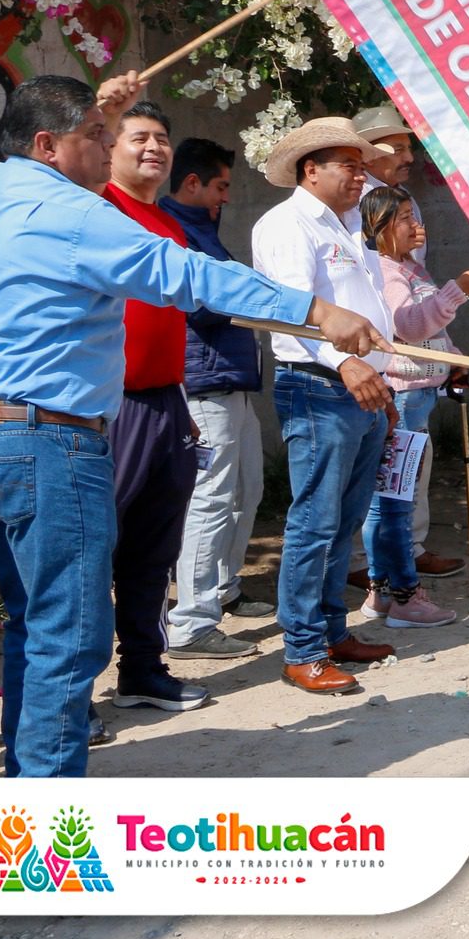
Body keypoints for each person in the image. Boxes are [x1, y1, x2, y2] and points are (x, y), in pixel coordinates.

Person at [0, 75, 385, 775]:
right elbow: (184, 274)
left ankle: (26, 793)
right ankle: (46, 827)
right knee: (70, 634)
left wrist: (102, 110)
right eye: (96, 133)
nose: (110, 142)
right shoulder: (71, 214)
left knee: (34, 622)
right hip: (51, 440)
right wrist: (318, 312)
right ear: (49, 145)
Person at [251, 117, 407, 696]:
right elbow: (293, 313)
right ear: (310, 169)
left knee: (343, 522)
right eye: (348, 162)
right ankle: (303, 649)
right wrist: (346, 364)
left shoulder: (344, 225)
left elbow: (364, 310)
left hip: (361, 386)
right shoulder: (288, 225)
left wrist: (378, 381)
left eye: (362, 162)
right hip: (320, 385)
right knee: (314, 522)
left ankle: (332, 631)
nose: (359, 172)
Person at [99, 101, 212, 725]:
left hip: (165, 401)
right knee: (91, 552)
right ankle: (63, 695)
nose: (154, 148)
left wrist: (179, 404)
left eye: (162, 138)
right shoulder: (97, 207)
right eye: (139, 137)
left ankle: (142, 668)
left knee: (153, 548)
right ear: (106, 148)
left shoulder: (167, 221)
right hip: (107, 406)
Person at [159, 137, 275, 661]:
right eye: (220, 186)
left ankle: (225, 591)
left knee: (247, 489)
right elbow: (200, 302)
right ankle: (191, 620)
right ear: (192, 184)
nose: (226, 196)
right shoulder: (175, 232)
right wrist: (254, 288)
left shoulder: (204, 230)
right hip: (204, 384)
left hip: (232, 380)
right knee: (210, 497)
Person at [359, 186, 469, 627]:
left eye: (417, 216)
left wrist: (450, 359)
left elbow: (430, 332)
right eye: (406, 219)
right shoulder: (386, 272)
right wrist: (459, 292)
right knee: (395, 500)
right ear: (380, 228)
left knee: (391, 498)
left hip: (419, 393)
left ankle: (380, 592)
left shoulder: (409, 268)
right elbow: (410, 326)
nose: (419, 226)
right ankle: (405, 597)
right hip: (403, 396)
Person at [349, 105, 460, 579]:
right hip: (396, 374)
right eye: (396, 148)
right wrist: (458, 293)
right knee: (391, 481)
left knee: (411, 471)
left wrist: (450, 355)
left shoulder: (396, 198)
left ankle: (405, 556)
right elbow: (403, 319)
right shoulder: (361, 207)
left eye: (408, 146)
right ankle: (383, 571)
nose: (407, 155)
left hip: (421, 378)